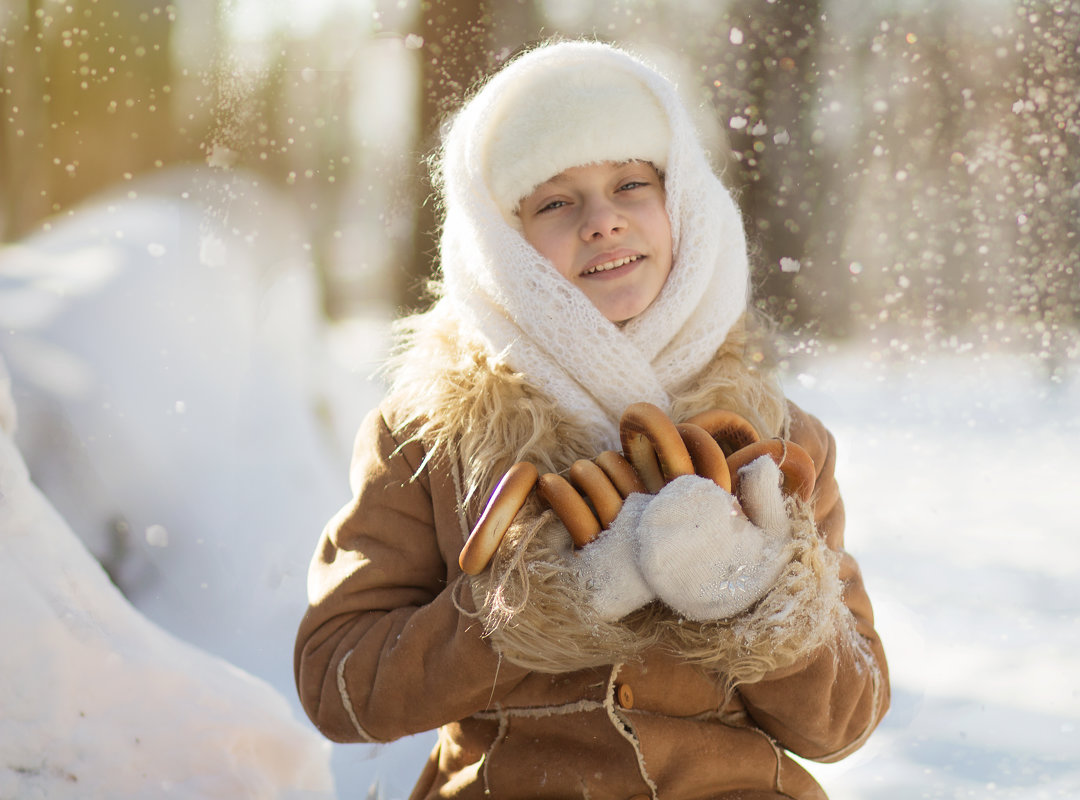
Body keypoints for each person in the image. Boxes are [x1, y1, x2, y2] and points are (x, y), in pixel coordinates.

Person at [294, 40, 889, 799]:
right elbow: (338, 687)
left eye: (632, 183)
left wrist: (760, 598)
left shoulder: (779, 441)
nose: (602, 221)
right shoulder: (427, 438)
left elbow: (847, 722)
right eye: (554, 201)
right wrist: (520, 613)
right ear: (500, 243)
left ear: (684, 207)